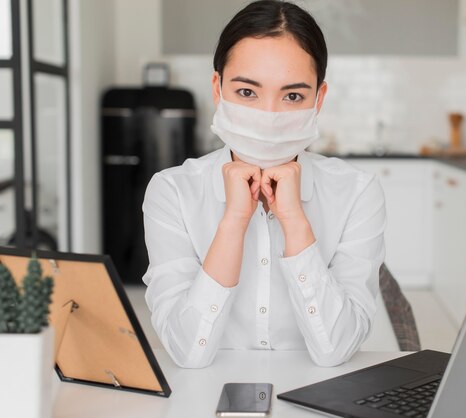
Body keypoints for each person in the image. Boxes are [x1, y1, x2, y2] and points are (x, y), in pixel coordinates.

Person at [142, 0, 386, 368]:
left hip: (316, 394)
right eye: (247, 92)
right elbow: (188, 353)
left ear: (318, 99)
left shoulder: (356, 191)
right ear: (217, 88)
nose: (268, 117)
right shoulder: (172, 192)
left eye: (292, 96)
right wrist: (233, 223)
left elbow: (335, 349)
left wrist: (295, 220)